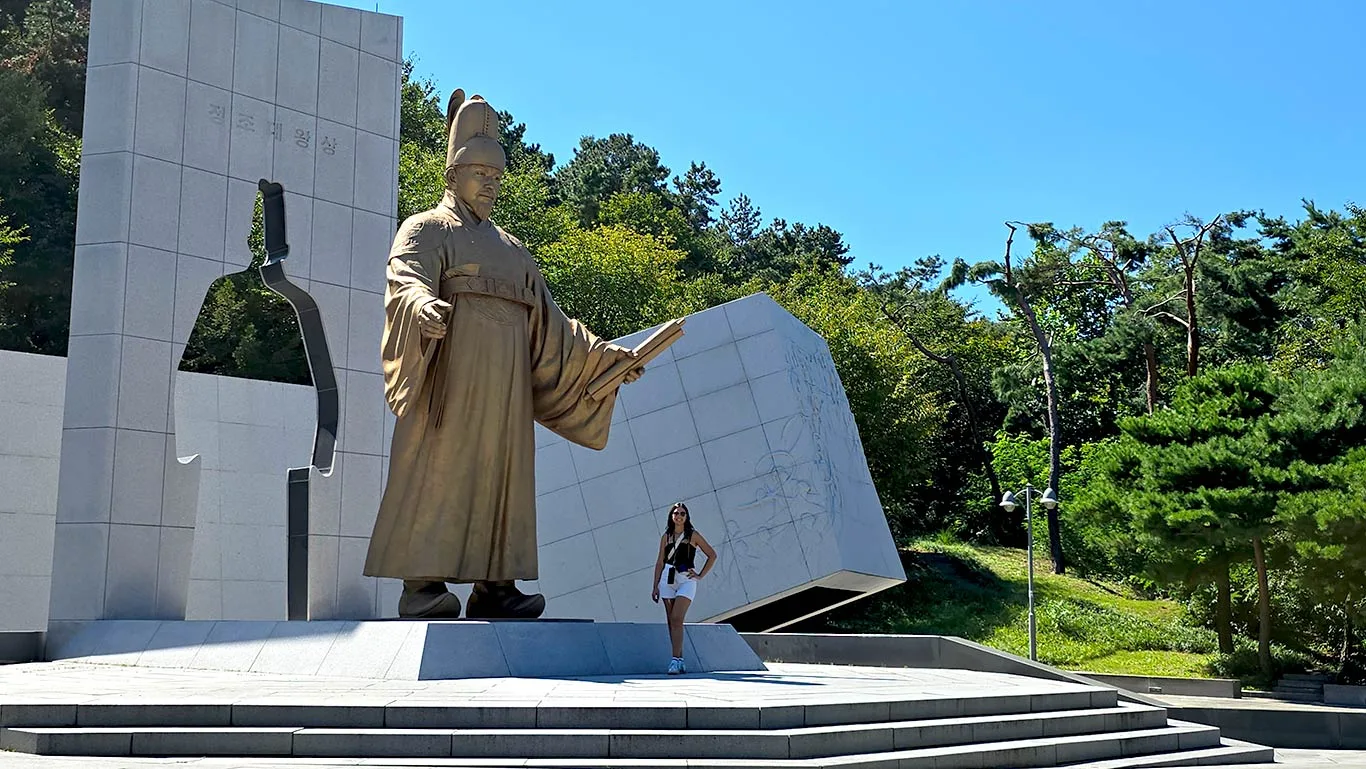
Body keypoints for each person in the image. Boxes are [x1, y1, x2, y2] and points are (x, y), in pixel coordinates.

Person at [363, 90, 645, 620]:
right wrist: (422, 306)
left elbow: (553, 326)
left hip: (507, 396)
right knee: (435, 471)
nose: (490, 185)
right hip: (451, 383)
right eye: (479, 174)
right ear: (452, 175)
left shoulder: (515, 250)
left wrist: (604, 361)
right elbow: (404, 279)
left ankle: (497, 587)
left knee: (504, 481)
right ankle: (421, 586)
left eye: (497, 177)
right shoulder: (424, 229)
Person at [651, 502, 717, 674]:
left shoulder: (693, 535)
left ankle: (675, 660)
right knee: (671, 621)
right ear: (671, 516)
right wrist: (655, 586)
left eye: (682, 513)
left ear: (686, 517)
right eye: (676, 513)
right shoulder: (666, 536)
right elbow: (659, 562)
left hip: (686, 579)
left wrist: (700, 575)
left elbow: (712, 554)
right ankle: (678, 659)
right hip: (667, 577)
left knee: (677, 618)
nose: (678, 516)